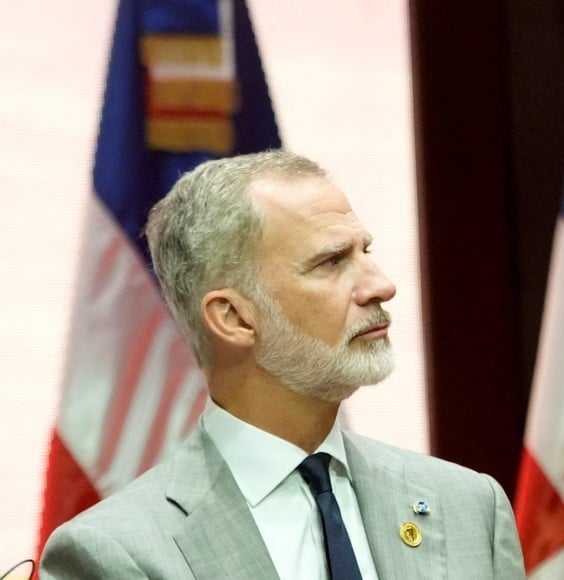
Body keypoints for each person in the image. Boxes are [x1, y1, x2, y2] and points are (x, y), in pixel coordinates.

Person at [39, 150, 525, 579]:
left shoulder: (469, 507)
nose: (380, 285)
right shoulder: (115, 553)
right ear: (233, 318)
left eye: (366, 252)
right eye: (331, 262)